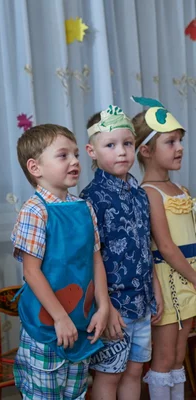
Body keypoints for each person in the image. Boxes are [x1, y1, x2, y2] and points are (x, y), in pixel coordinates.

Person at [11, 123, 109, 399]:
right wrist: (59, 317)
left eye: (76, 154)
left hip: (81, 322)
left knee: (76, 394)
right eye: (63, 155)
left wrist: (103, 306)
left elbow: (96, 260)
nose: (76, 161)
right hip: (48, 325)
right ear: (35, 168)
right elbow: (32, 272)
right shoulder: (35, 211)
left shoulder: (84, 206)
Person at [80, 105, 162, 400]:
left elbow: (145, 245)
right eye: (111, 145)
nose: (122, 152)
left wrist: (156, 292)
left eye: (127, 144)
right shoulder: (91, 198)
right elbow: (91, 259)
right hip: (113, 307)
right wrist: (106, 307)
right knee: (109, 376)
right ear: (92, 150)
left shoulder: (140, 194)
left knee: (134, 373)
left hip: (142, 303)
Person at [133, 96, 195, 400]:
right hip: (171, 280)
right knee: (164, 356)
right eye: (170, 142)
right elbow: (167, 247)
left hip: (189, 279)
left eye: (180, 140)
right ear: (146, 151)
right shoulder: (150, 192)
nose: (180, 147)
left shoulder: (180, 190)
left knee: (179, 353)